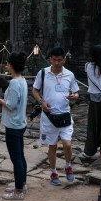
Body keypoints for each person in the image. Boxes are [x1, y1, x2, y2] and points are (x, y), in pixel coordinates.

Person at [32, 47, 80, 186]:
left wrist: (74, 96)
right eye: (54, 60)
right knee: (52, 146)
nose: (57, 63)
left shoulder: (69, 75)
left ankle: (68, 165)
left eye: (60, 60)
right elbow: (35, 90)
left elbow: (77, 92)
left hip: (64, 115)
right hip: (48, 116)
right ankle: (53, 172)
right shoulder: (43, 73)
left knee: (67, 144)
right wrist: (41, 102)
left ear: (64, 60)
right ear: (50, 59)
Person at [0, 52, 28, 200]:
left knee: (16, 158)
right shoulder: (23, 80)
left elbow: (11, 105)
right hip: (20, 123)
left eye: (7, 63)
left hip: (13, 125)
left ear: (11, 65)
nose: (6, 65)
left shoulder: (14, 83)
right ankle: (22, 183)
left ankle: (18, 190)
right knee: (20, 156)